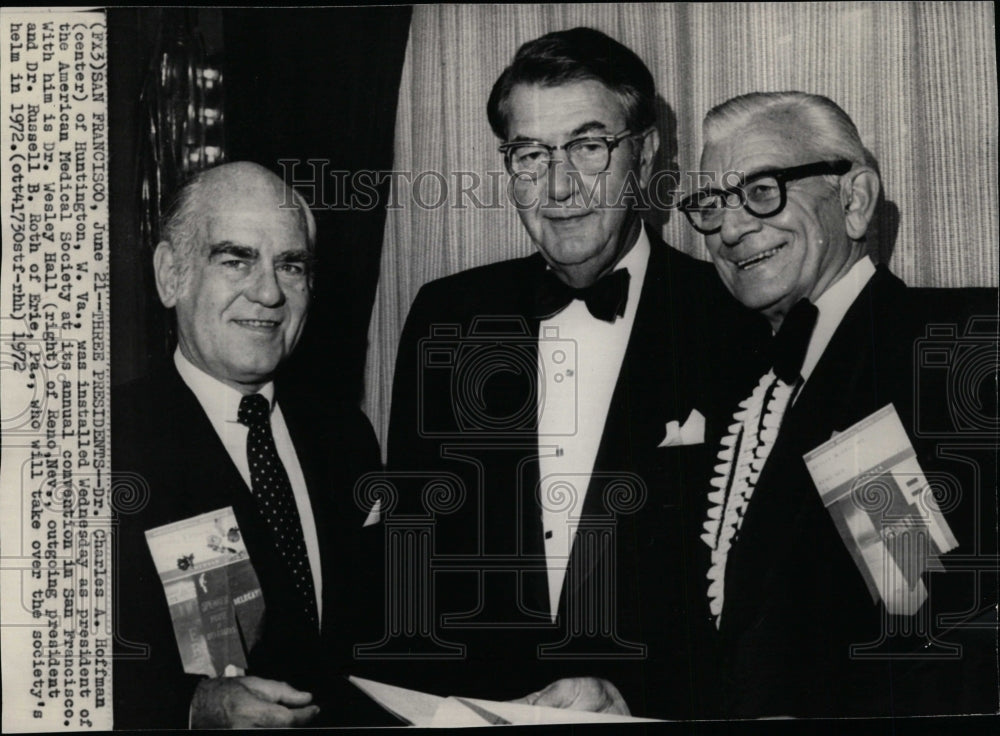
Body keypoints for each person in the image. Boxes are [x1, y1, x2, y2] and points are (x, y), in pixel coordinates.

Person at [383, 28, 760, 718]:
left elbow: (767, 597)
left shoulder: (735, 319)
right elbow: (411, 563)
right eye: (530, 154)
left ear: (643, 153)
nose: (559, 187)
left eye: (589, 147)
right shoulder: (449, 318)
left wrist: (636, 695)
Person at [679, 91, 998, 717]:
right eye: (710, 206)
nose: (731, 229)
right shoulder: (731, 378)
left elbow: (933, 627)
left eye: (762, 189)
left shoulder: (940, 352)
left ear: (854, 202)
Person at [112, 162, 384, 728]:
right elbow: (50, 668)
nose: (267, 292)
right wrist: (190, 708)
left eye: (290, 265)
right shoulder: (102, 444)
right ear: (170, 275)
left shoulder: (346, 438)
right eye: (235, 259)